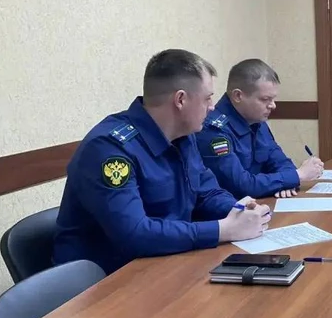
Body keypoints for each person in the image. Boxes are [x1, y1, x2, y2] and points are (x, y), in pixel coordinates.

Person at [53, 49, 271, 275]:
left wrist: (239, 210)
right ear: (180, 100)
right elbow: (135, 234)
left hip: (163, 262)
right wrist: (221, 230)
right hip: (105, 280)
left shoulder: (184, 136)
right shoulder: (110, 149)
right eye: (207, 98)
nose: (212, 106)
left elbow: (207, 193)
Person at [196, 59, 323, 199]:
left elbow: (280, 161)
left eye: (273, 99)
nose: (273, 105)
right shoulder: (214, 131)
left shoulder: (255, 119)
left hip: (261, 203)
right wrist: (299, 175)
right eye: (265, 99)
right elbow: (241, 186)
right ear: (238, 96)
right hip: (234, 208)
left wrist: (287, 182)